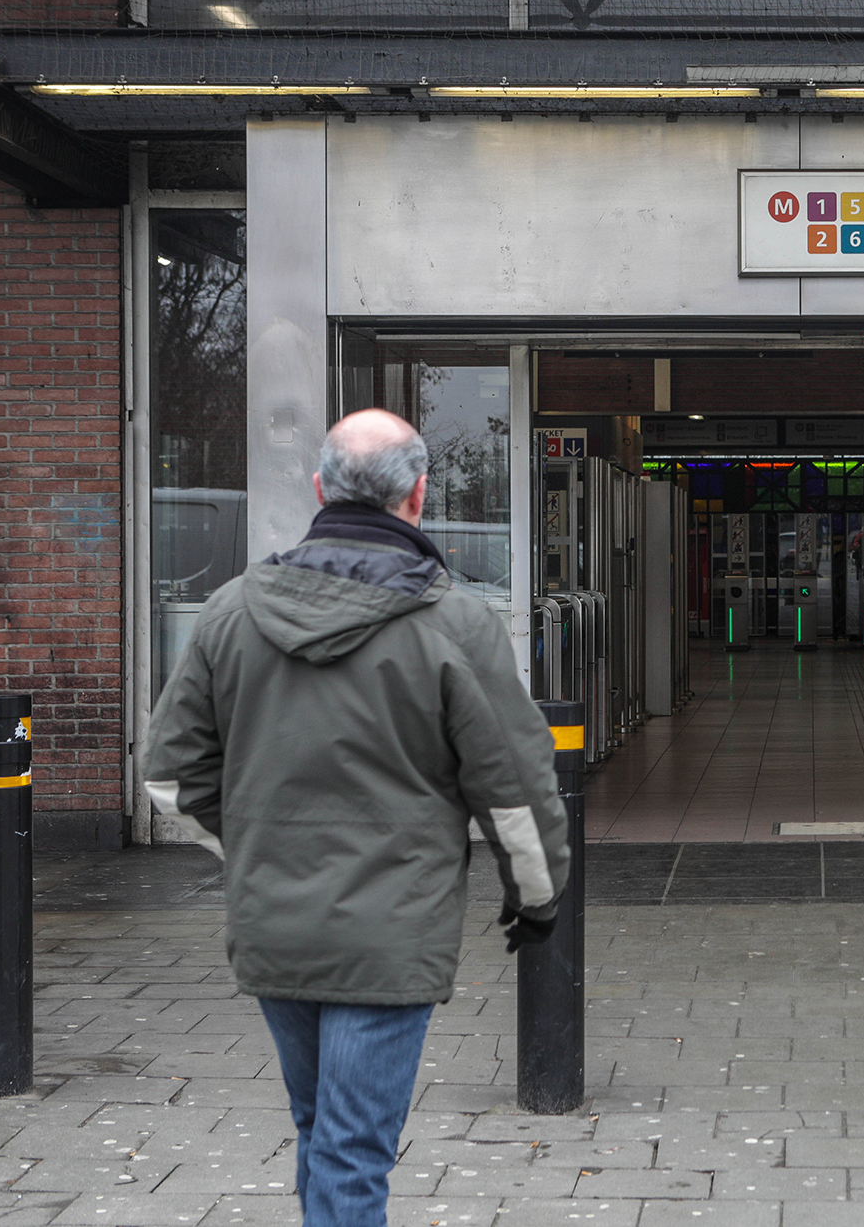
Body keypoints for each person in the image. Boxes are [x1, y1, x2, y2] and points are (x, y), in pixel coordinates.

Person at [141, 408, 570, 1227]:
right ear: (418, 495)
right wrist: (537, 894)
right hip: (391, 931)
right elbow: (515, 784)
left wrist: (251, 848)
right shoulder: (454, 624)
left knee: (322, 1133)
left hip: (274, 922)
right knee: (351, 1150)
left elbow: (168, 777)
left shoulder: (231, 612)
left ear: (319, 489)